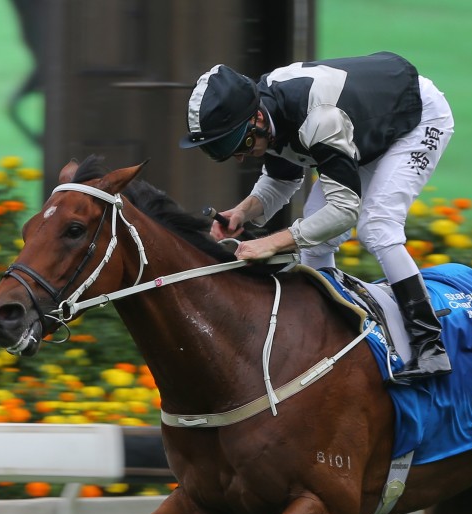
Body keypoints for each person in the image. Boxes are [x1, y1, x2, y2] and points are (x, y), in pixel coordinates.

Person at [178, 52, 454, 382]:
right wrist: (242, 212)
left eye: (241, 144)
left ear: (258, 119)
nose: (238, 157)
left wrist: (272, 243)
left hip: (416, 119)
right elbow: (281, 179)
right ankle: (330, 340)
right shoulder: (266, 112)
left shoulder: (318, 120)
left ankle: (430, 346)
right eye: (223, 151)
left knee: (377, 226)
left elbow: (344, 211)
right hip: (361, 125)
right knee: (315, 236)